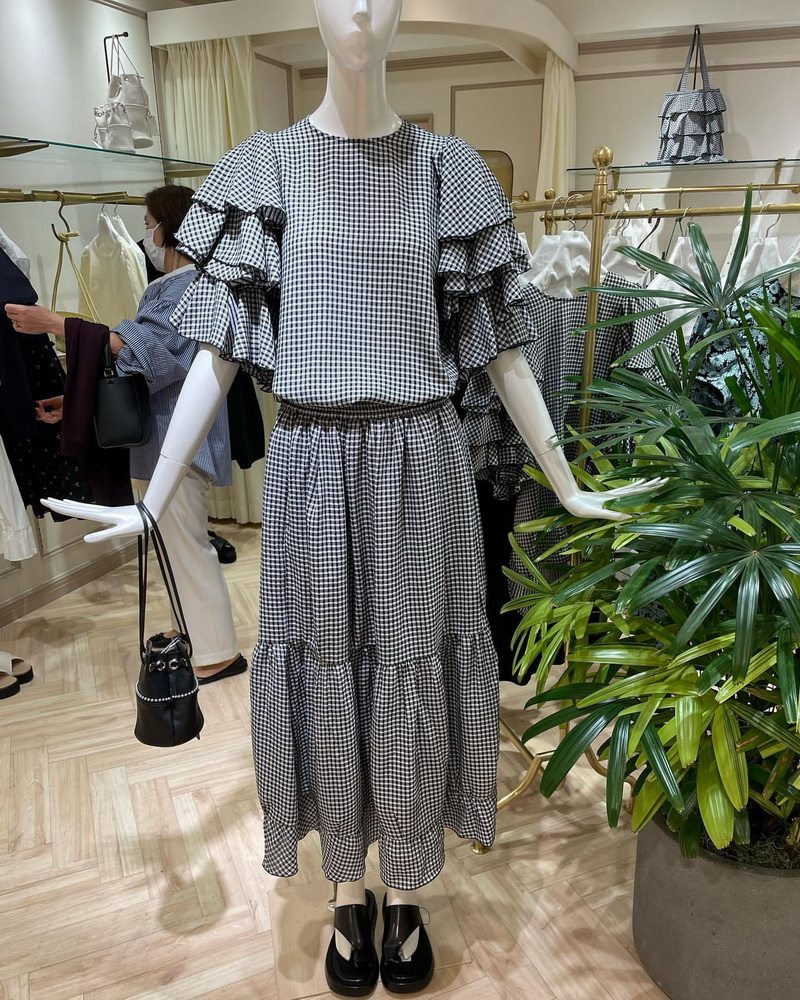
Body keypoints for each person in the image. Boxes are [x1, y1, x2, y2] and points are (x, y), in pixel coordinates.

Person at [36, 2, 662, 995]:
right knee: (325, 663)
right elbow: (218, 350)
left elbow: (502, 350)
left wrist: (567, 481)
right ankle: (345, 885)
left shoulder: (447, 171)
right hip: (312, 459)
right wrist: (153, 500)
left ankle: (404, 887)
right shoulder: (265, 168)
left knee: (411, 666)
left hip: (421, 458)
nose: (362, 6)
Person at [5, 185, 246, 685]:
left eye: (149, 223)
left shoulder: (189, 287)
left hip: (177, 440)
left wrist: (55, 323)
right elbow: (139, 363)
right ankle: (198, 632)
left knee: (185, 545)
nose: (147, 235)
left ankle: (219, 652)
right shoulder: (177, 284)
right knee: (177, 543)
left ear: (171, 227)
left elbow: (149, 354)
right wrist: (74, 401)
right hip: (165, 435)